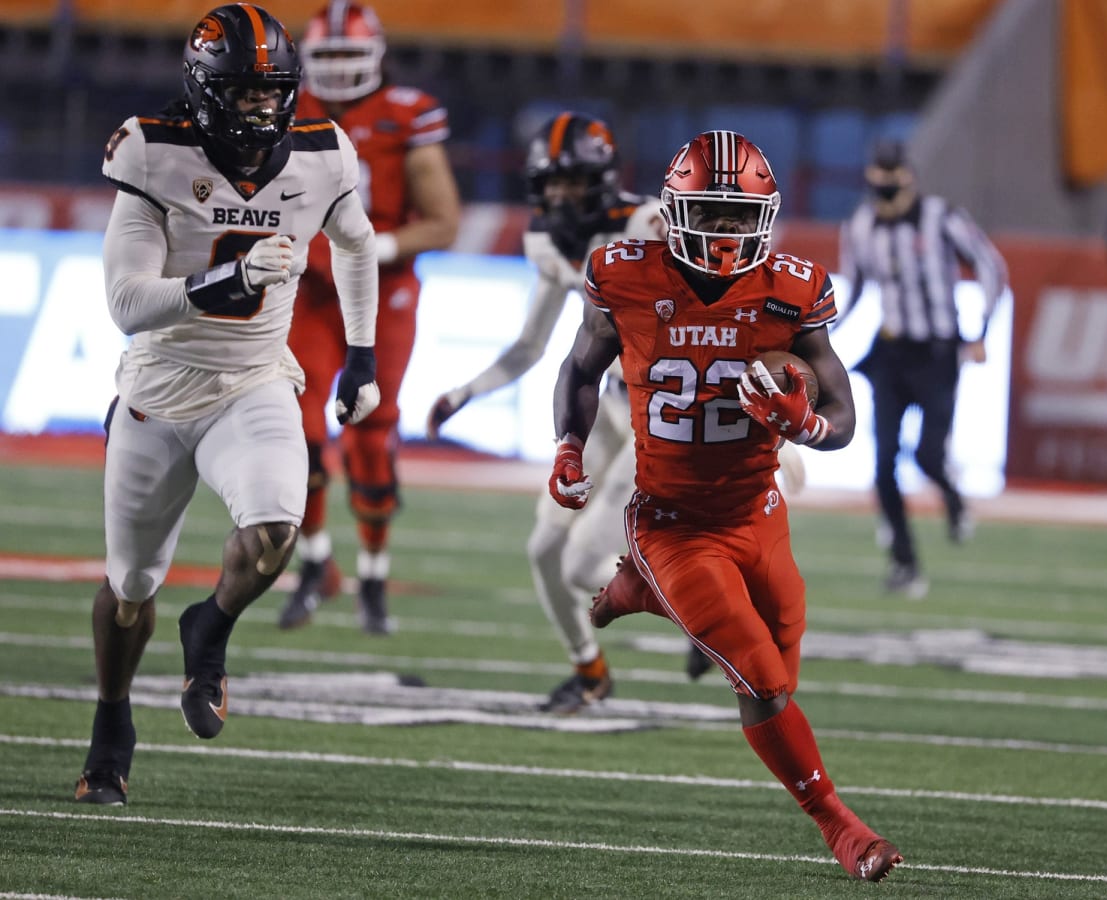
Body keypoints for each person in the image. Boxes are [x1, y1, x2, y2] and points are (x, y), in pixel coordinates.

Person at [551, 129, 902, 881]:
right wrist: (569, 447)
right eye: (711, 214)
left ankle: (640, 592)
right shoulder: (626, 275)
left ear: (767, 218)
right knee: (761, 681)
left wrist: (806, 425)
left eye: (742, 218)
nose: (727, 231)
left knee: (784, 670)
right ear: (676, 212)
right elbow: (582, 368)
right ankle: (841, 828)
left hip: (758, 514)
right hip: (673, 523)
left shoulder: (792, 290)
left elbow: (841, 411)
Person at [74, 3, 381, 806]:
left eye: (272, 91)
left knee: (278, 528)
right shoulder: (154, 151)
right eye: (244, 92)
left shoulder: (322, 155)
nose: (261, 108)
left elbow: (357, 243)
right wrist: (228, 280)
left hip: (254, 380)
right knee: (130, 583)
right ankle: (112, 722)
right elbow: (127, 304)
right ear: (205, 89)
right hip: (159, 389)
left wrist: (361, 353)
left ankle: (208, 628)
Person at [425, 112, 675, 712]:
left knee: (584, 564)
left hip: (659, 417)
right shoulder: (545, 241)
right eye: (552, 182)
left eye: (574, 181)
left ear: (604, 178)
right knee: (544, 550)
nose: (561, 195)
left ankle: (704, 610)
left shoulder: (647, 225)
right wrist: (467, 391)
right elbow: (532, 345)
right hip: (605, 406)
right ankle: (590, 670)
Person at [276, 1, 461, 635]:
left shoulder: (406, 114)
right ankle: (316, 562)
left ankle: (375, 572)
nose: (339, 72)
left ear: (378, 58)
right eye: (326, 58)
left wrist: (371, 247)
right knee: (295, 425)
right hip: (309, 289)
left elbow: (442, 221)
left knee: (371, 432)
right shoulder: (281, 107)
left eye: (350, 57)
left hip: (383, 289)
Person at [839, 139, 1007, 598]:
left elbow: (991, 266)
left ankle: (952, 498)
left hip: (936, 353)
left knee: (928, 456)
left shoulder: (942, 217)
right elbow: (852, 287)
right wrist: (819, 334)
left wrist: (980, 331)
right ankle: (905, 562)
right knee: (883, 464)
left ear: (908, 179)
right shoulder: (860, 225)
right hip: (891, 353)